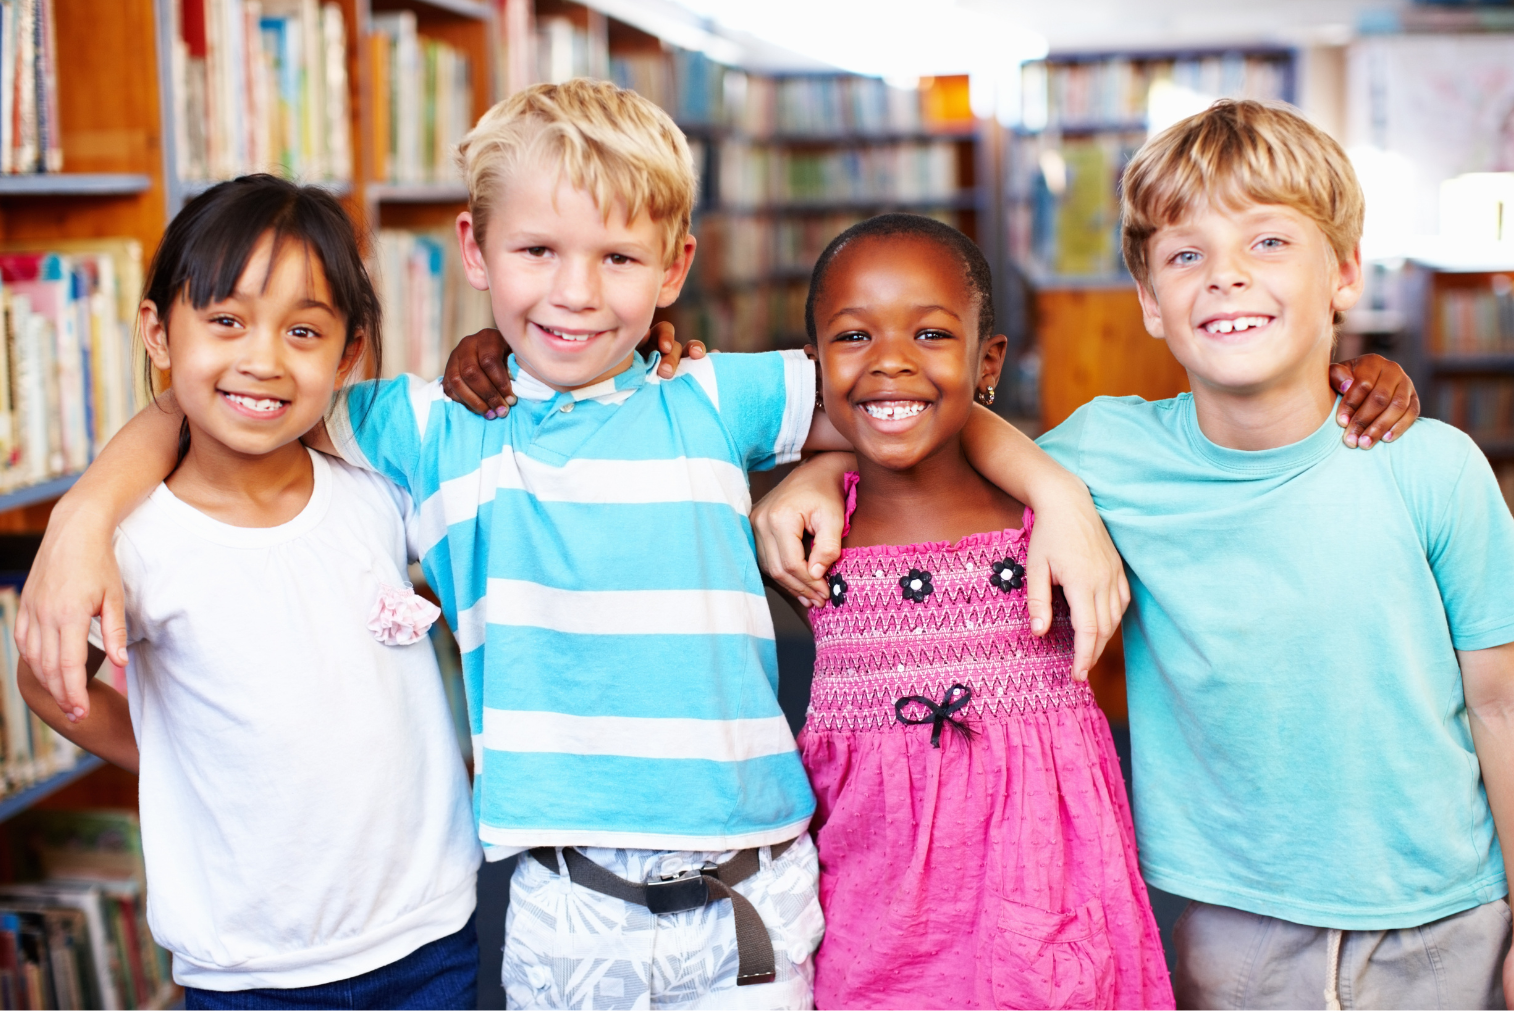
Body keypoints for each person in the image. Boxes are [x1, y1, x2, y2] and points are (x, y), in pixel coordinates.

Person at [20, 80, 1133, 1010]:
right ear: (473, 248)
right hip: (560, 904)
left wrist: (1051, 494)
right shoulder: (426, 429)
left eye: (614, 259)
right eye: (537, 251)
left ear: (674, 268)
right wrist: (79, 519)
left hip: (751, 898)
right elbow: (229, 395)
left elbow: (900, 399)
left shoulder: (709, 394)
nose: (572, 292)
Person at [758, 99, 1514, 1011]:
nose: (1227, 278)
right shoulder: (1106, 457)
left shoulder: (1433, 468)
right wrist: (831, 466)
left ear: (1345, 271)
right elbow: (932, 430)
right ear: (1151, 303)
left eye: (1269, 243)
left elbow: (1502, 703)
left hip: (1444, 922)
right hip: (1227, 927)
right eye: (1188, 255)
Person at [14, 176, 484, 1009]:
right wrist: (167, 753)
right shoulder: (138, 542)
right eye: (226, 320)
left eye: (303, 330)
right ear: (160, 334)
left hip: (430, 936)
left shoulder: (378, 484)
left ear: (346, 356)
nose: (263, 359)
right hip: (249, 972)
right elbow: (48, 680)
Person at [790, 212, 1176, 1008]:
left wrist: (1363, 372)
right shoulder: (809, 540)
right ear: (813, 365)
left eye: (931, 335)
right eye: (854, 336)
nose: (892, 361)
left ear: (987, 357)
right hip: (872, 936)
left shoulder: (1057, 519)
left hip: (1049, 924)